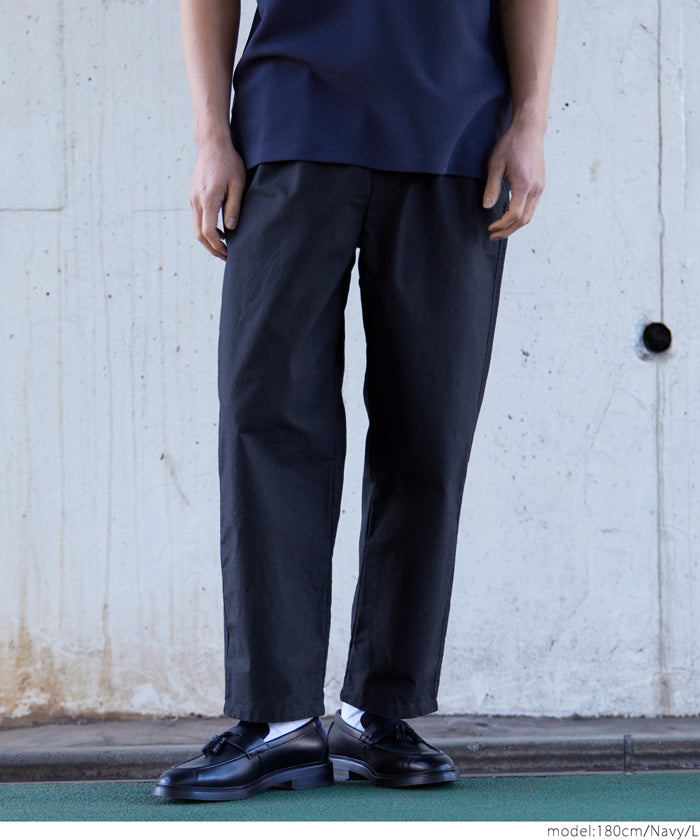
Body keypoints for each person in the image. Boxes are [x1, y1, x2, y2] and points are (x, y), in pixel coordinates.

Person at [153, 0, 557, 802]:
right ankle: (277, 722)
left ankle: (379, 712)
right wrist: (211, 136)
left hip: (456, 135)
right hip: (289, 124)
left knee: (429, 429)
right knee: (266, 423)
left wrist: (530, 123)